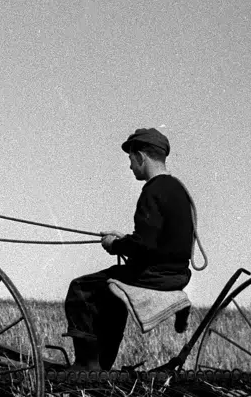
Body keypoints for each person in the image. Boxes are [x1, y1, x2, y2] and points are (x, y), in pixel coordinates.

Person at [63, 128, 195, 369]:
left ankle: (87, 365)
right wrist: (126, 239)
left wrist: (115, 245)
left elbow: (144, 246)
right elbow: (161, 239)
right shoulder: (177, 189)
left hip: (153, 275)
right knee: (111, 295)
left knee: (80, 288)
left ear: (141, 157)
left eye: (131, 159)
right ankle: (101, 366)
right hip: (176, 273)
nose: (130, 166)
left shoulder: (152, 191)